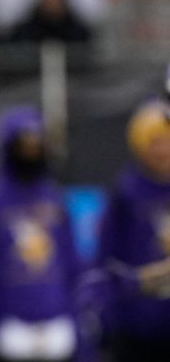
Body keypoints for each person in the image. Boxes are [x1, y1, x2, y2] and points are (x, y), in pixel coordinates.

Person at [0, 106, 81, 362]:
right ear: (9, 147)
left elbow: (71, 262)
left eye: (37, 145)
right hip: (11, 333)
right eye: (24, 145)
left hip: (58, 330)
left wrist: (73, 319)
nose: (31, 152)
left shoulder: (54, 197)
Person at [94, 99, 170, 361]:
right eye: (154, 142)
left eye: (166, 141)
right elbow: (106, 256)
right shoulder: (126, 192)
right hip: (138, 321)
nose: (162, 150)